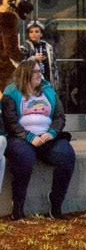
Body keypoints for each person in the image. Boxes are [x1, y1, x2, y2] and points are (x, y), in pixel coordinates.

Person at [1, 58, 76, 220]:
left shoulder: (48, 92)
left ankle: (56, 204)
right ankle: (18, 206)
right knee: (24, 157)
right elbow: (10, 122)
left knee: (67, 155)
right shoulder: (11, 93)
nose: (39, 75)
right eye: (35, 72)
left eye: (40, 71)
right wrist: (29, 137)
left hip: (47, 138)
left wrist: (52, 133)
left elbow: (59, 117)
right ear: (25, 73)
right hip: (20, 138)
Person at [20, 20, 59, 90]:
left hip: (46, 80)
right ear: (28, 34)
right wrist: (34, 58)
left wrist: (55, 84)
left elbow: (54, 66)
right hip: (30, 81)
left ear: (41, 34)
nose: (34, 34)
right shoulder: (25, 47)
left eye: (36, 32)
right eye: (31, 32)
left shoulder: (48, 47)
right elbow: (20, 63)